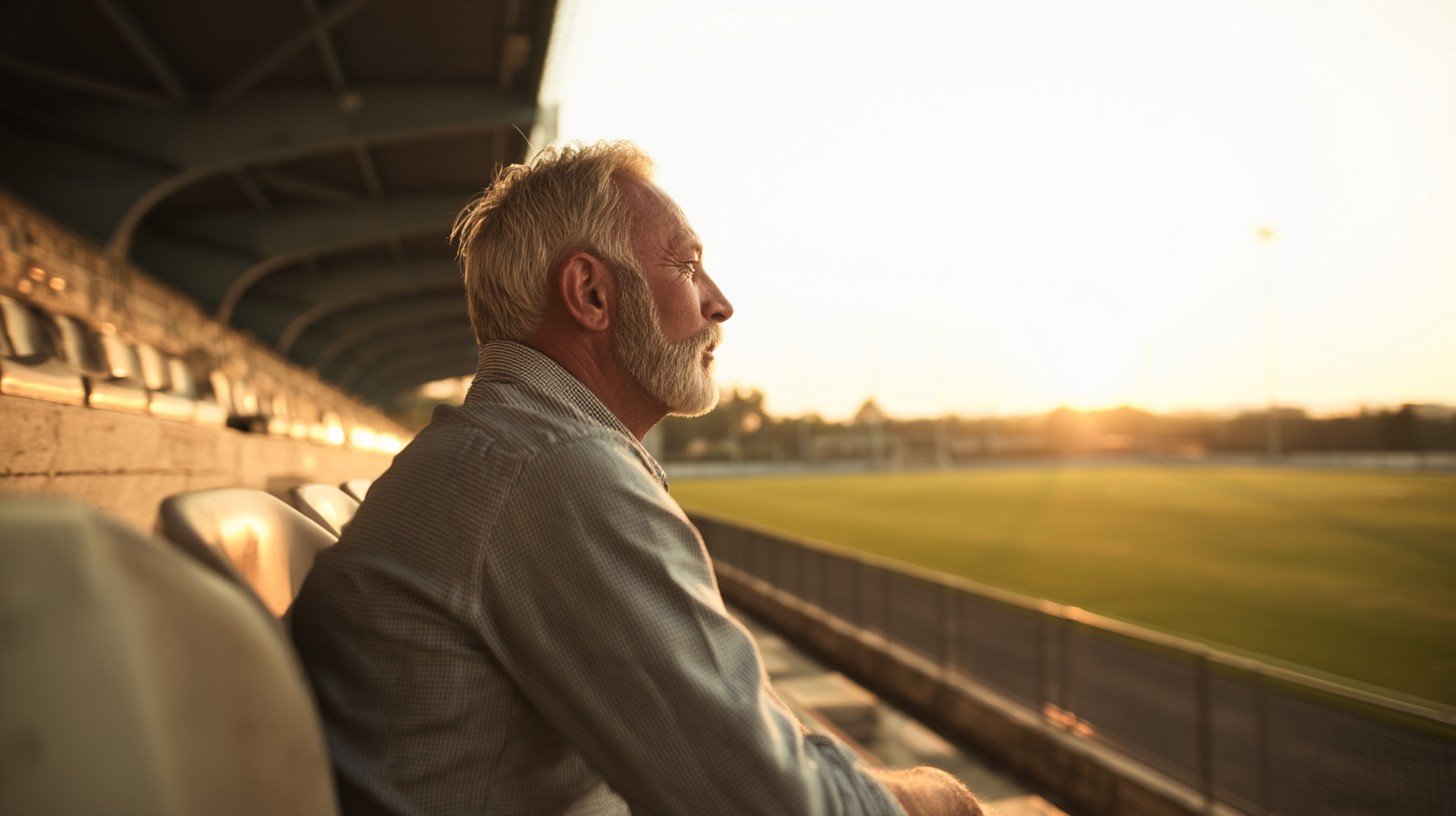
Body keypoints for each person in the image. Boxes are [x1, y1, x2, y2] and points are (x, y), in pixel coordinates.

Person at [289, 141, 984, 816]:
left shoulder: (496, 449)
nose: (720, 303)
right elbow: (775, 803)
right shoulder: (555, 468)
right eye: (687, 267)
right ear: (591, 293)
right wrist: (934, 800)